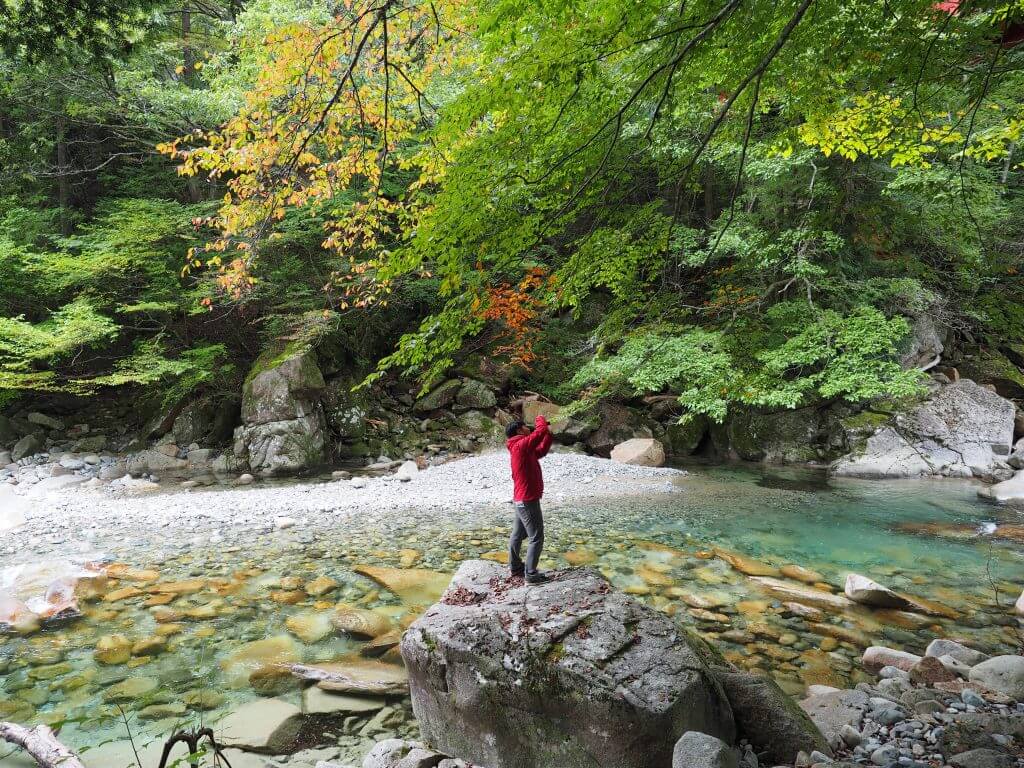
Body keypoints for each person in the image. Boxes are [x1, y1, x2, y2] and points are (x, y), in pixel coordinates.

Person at [505, 413, 553, 583]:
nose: (528, 428)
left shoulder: (521, 448)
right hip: (527, 499)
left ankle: (515, 566)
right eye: (525, 426)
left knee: (517, 535)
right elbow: (538, 433)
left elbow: (541, 450)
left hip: (521, 499)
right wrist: (540, 418)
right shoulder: (519, 446)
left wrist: (548, 434)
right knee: (536, 536)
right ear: (519, 429)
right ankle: (531, 574)